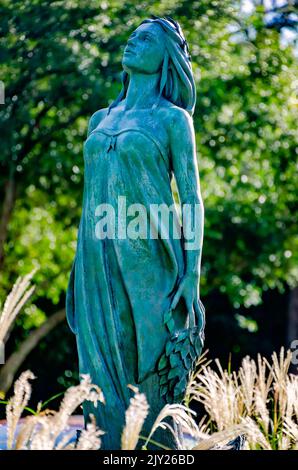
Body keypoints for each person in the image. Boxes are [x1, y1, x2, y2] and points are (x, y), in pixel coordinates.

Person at [66, 15, 205, 450]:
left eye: (145, 39)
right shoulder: (99, 119)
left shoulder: (173, 119)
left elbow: (192, 199)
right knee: (98, 371)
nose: (132, 42)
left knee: (147, 370)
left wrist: (192, 275)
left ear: (165, 56)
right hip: (94, 258)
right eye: (131, 36)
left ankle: (152, 452)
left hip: (150, 258)